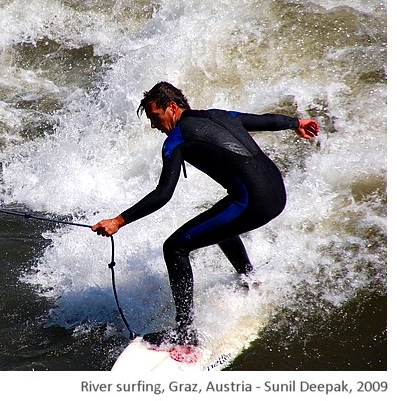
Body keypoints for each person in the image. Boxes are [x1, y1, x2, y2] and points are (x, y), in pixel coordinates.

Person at [91, 81, 319, 347]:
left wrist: (118, 221)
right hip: (277, 193)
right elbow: (263, 121)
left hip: (253, 203)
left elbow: (163, 194)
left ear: (172, 107)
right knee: (217, 221)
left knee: (174, 247)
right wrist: (296, 123)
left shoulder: (177, 140)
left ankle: (185, 334)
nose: (154, 125)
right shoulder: (220, 115)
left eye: (155, 116)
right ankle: (250, 278)